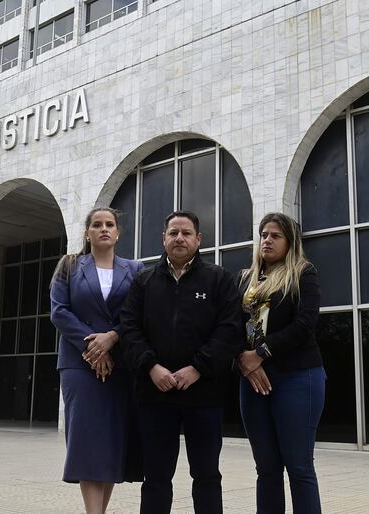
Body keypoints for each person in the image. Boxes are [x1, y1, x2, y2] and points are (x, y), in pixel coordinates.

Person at [121, 211, 243, 514]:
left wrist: (198, 368)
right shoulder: (143, 282)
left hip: (204, 396)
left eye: (186, 233)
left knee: (206, 475)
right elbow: (129, 328)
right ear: (163, 239)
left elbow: (230, 330)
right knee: (157, 477)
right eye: (173, 232)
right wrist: (151, 366)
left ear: (198, 239)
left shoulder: (219, 279)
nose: (179, 238)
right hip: (155, 395)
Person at [50, 207, 144, 514]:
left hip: (120, 366)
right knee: (88, 442)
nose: (104, 229)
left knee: (111, 443)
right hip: (79, 366)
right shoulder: (69, 266)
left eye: (110, 224)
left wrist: (111, 339)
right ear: (87, 233)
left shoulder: (135, 269)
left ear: (118, 233)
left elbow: (138, 315)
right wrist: (93, 347)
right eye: (96, 225)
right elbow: (60, 311)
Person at [236, 212, 325, 514]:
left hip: (298, 377)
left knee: (299, 467)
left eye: (275, 236)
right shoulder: (245, 279)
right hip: (252, 380)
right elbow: (231, 328)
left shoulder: (303, 273)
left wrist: (260, 353)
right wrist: (244, 361)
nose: (267, 240)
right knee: (267, 468)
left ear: (290, 242)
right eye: (264, 235)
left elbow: (305, 324)